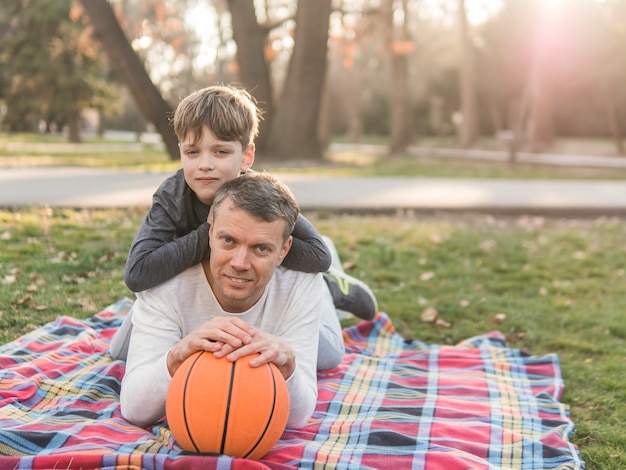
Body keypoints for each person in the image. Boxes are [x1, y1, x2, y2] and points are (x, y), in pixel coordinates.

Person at [109, 85, 377, 368]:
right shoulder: (172, 196)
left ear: (246, 157)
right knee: (120, 351)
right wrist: (211, 234)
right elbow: (137, 274)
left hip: (254, 288)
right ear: (180, 152)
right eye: (192, 152)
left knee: (329, 356)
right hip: (192, 289)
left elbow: (318, 255)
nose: (205, 164)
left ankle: (328, 287)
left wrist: (240, 241)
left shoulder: (263, 195)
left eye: (221, 152)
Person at [120, 172, 335, 429]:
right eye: (228, 241)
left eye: (261, 248)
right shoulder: (165, 284)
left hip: (310, 297)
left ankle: (335, 281)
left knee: (332, 354)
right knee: (117, 351)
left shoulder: (302, 281)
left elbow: (299, 418)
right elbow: (134, 409)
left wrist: (288, 368)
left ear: (284, 251)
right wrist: (178, 355)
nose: (239, 263)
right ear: (209, 234)